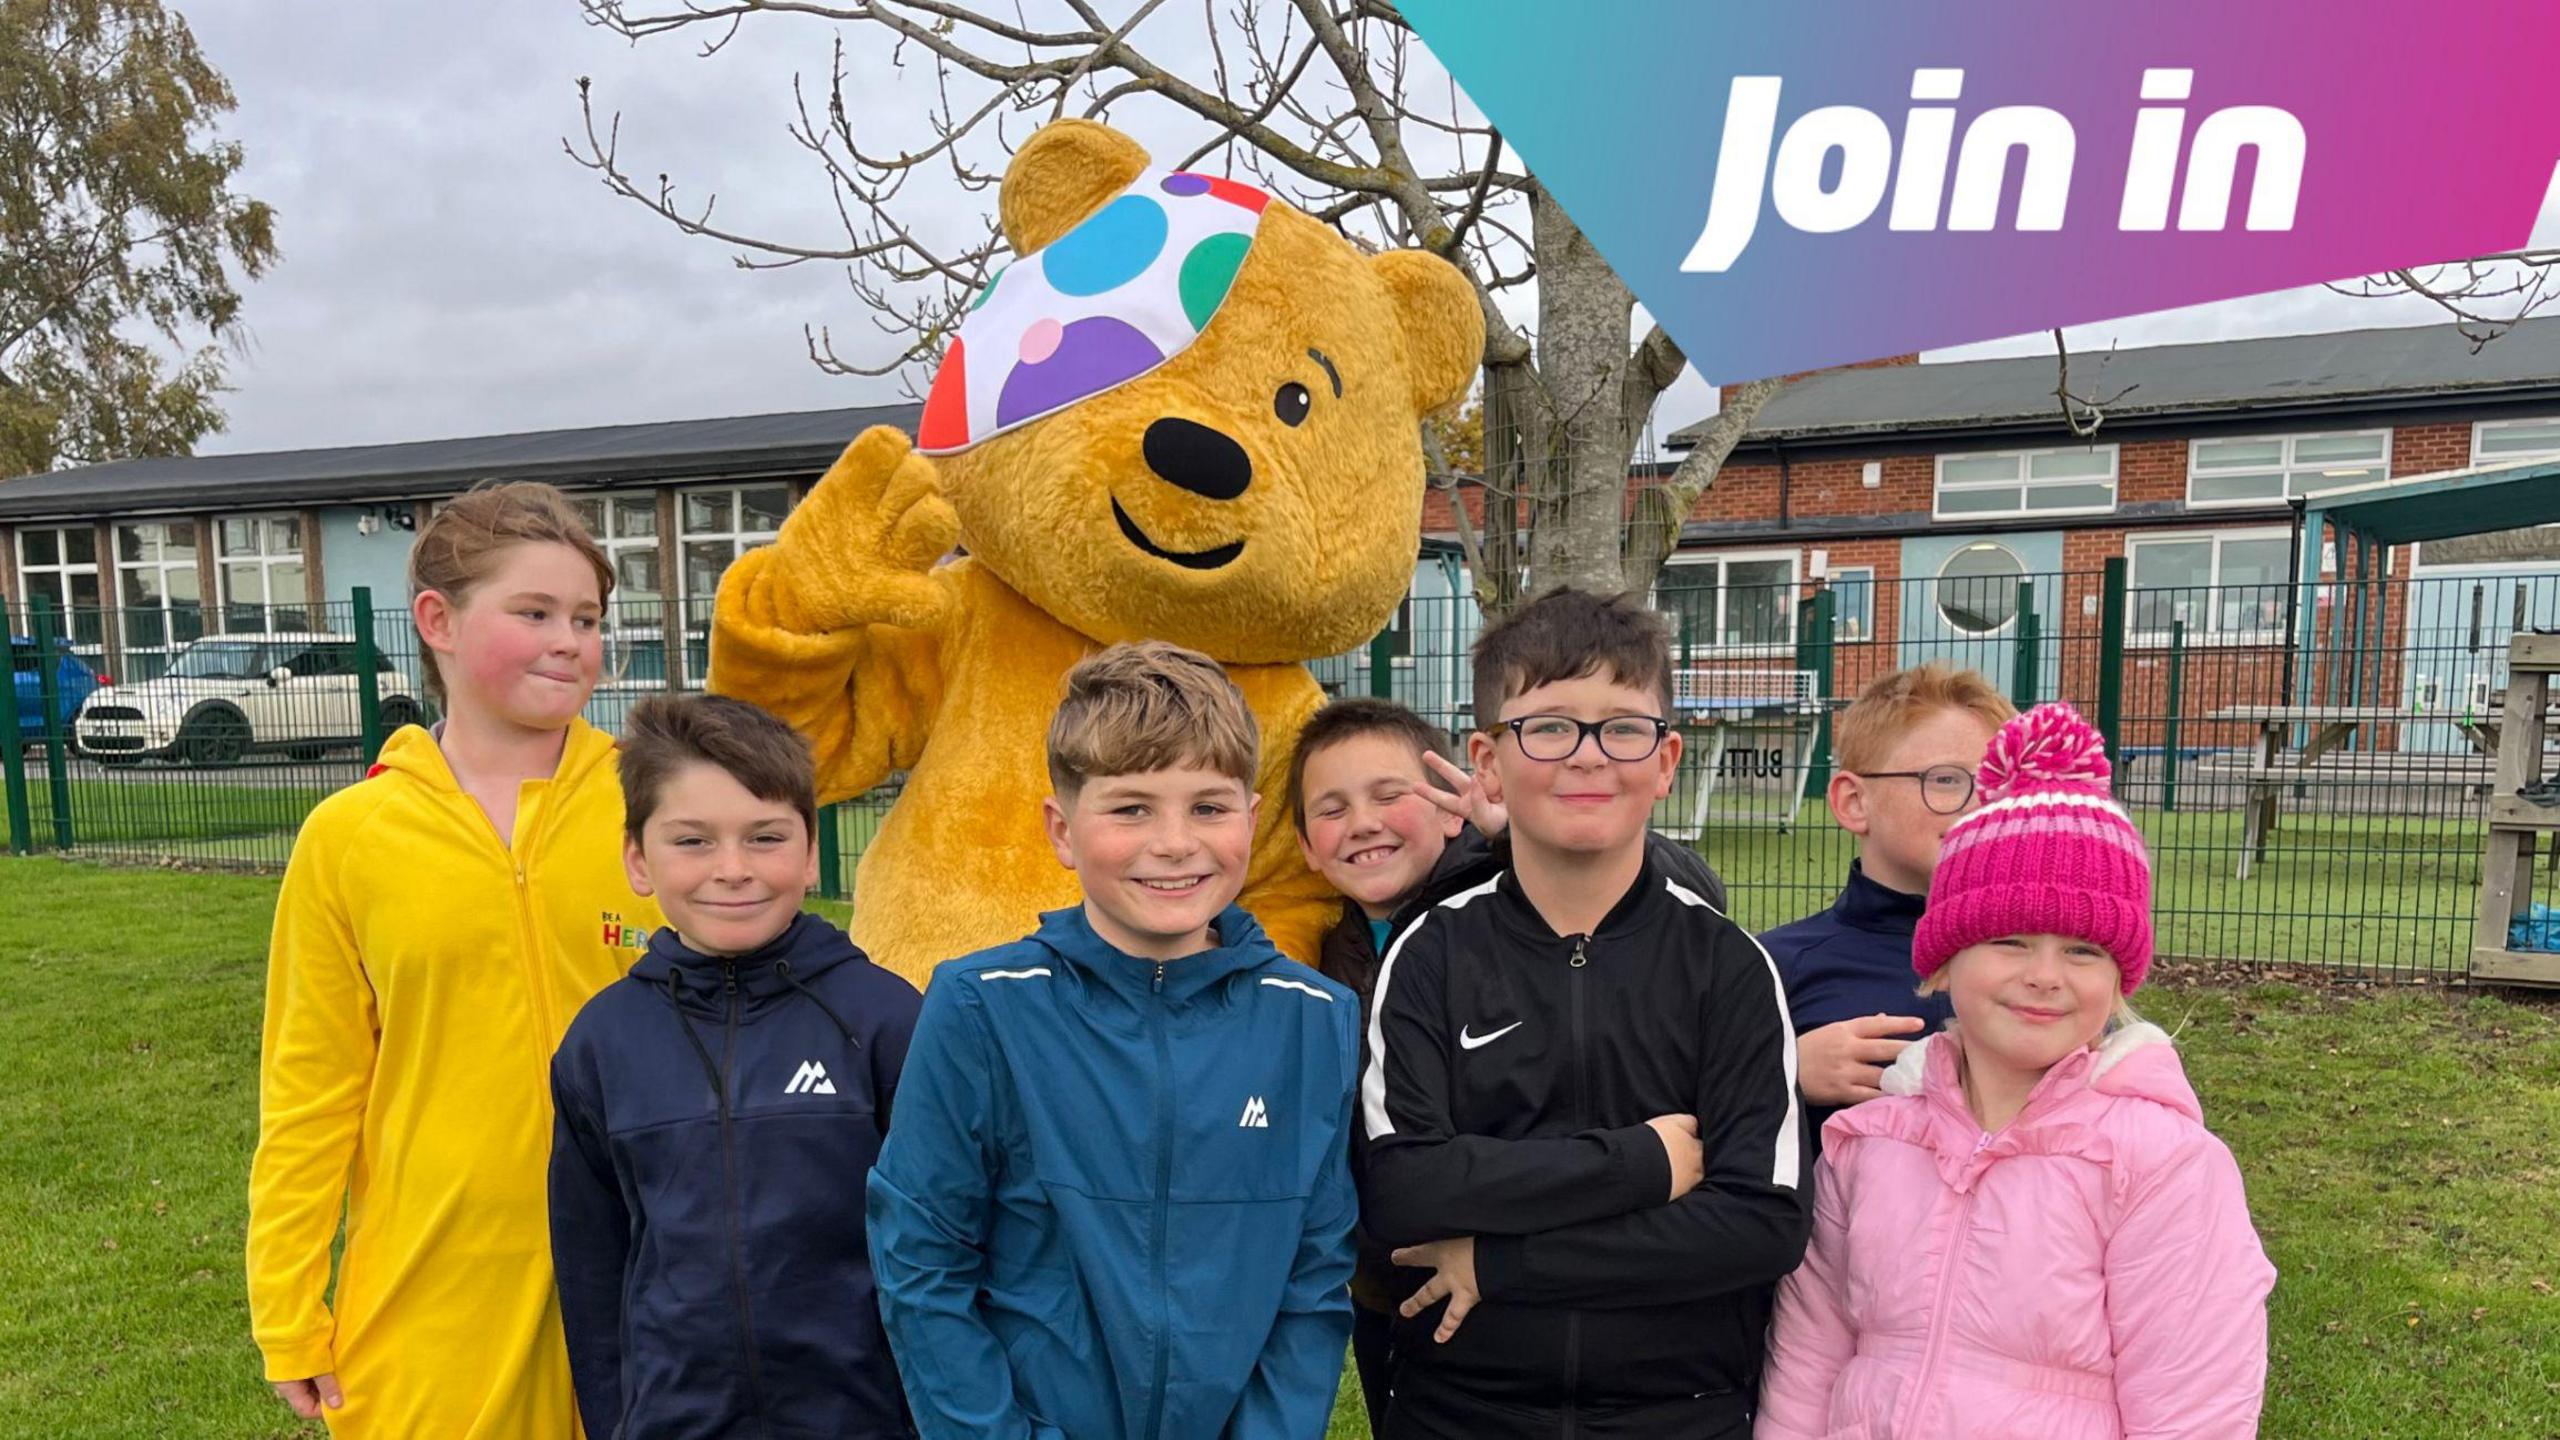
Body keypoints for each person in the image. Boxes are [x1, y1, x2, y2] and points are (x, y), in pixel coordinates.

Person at [866, 640, 1360, 1440]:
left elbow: (1314, 1276)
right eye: (1131, 809)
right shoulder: (980, 1006)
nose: (1175, 842)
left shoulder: (1313, 1019)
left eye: (1208, 808)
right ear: (1062, 830)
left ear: (1252, 819)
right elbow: (922, 1262)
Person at [248, 482, 661, 1436]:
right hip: (437, 1293)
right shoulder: (350, 838)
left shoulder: (654, 806)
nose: (570, 642)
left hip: (649, 1270)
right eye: (535, 613)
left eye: (587, 619)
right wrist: (286, 1303)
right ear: (437, 620)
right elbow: (309, 1091)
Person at [1755, 703, 2276, 1440]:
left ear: (2119, 978)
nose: (2045, 976)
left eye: (2083, 950)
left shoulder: (2162, 1167)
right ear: (1945, 958)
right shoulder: (1866, 1144)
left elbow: (2195, 1409)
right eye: (2010, 940)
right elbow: (1810, 1361)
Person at [1361, 587, 1810, 1440]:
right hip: (1460, 1411)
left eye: (1622, 728)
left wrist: (1500, 1263)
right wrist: (1642, 1165)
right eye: (1549, 727)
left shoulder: (1728, 966)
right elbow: (1403, 1191)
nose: (1589, 757)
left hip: (1681, 1416)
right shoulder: (1430, 953)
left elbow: (1760, 1225)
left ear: (1666, 760)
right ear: (1488, 762)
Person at [1288, 695, 1728, 1433]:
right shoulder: (1323, 955)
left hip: (1547, 1281)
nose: (1362, 822)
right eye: (1332, 809)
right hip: (1392, 1282)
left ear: (1451, 806)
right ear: (1305, 847)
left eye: (1390, 795)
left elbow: (1687, 897)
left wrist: (1512, 833)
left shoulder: (1513, 899)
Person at [549, 693, 922, 1438]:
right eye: (692, 841)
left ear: (811, 854)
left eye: (765, 837)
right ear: (637, 859)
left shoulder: (884, 1020)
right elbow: (592, 1265)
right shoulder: (602, 1042)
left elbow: (942, 1242)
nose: (732, 869)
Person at [1760, 664, 2013, 1145]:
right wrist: (1781, 1075)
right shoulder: (1772, 968)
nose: (1979, 805)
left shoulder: (2049, 967)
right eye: (1945, 780)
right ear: (1854, 802)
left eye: (1998, 785)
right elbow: (1687, 1124)